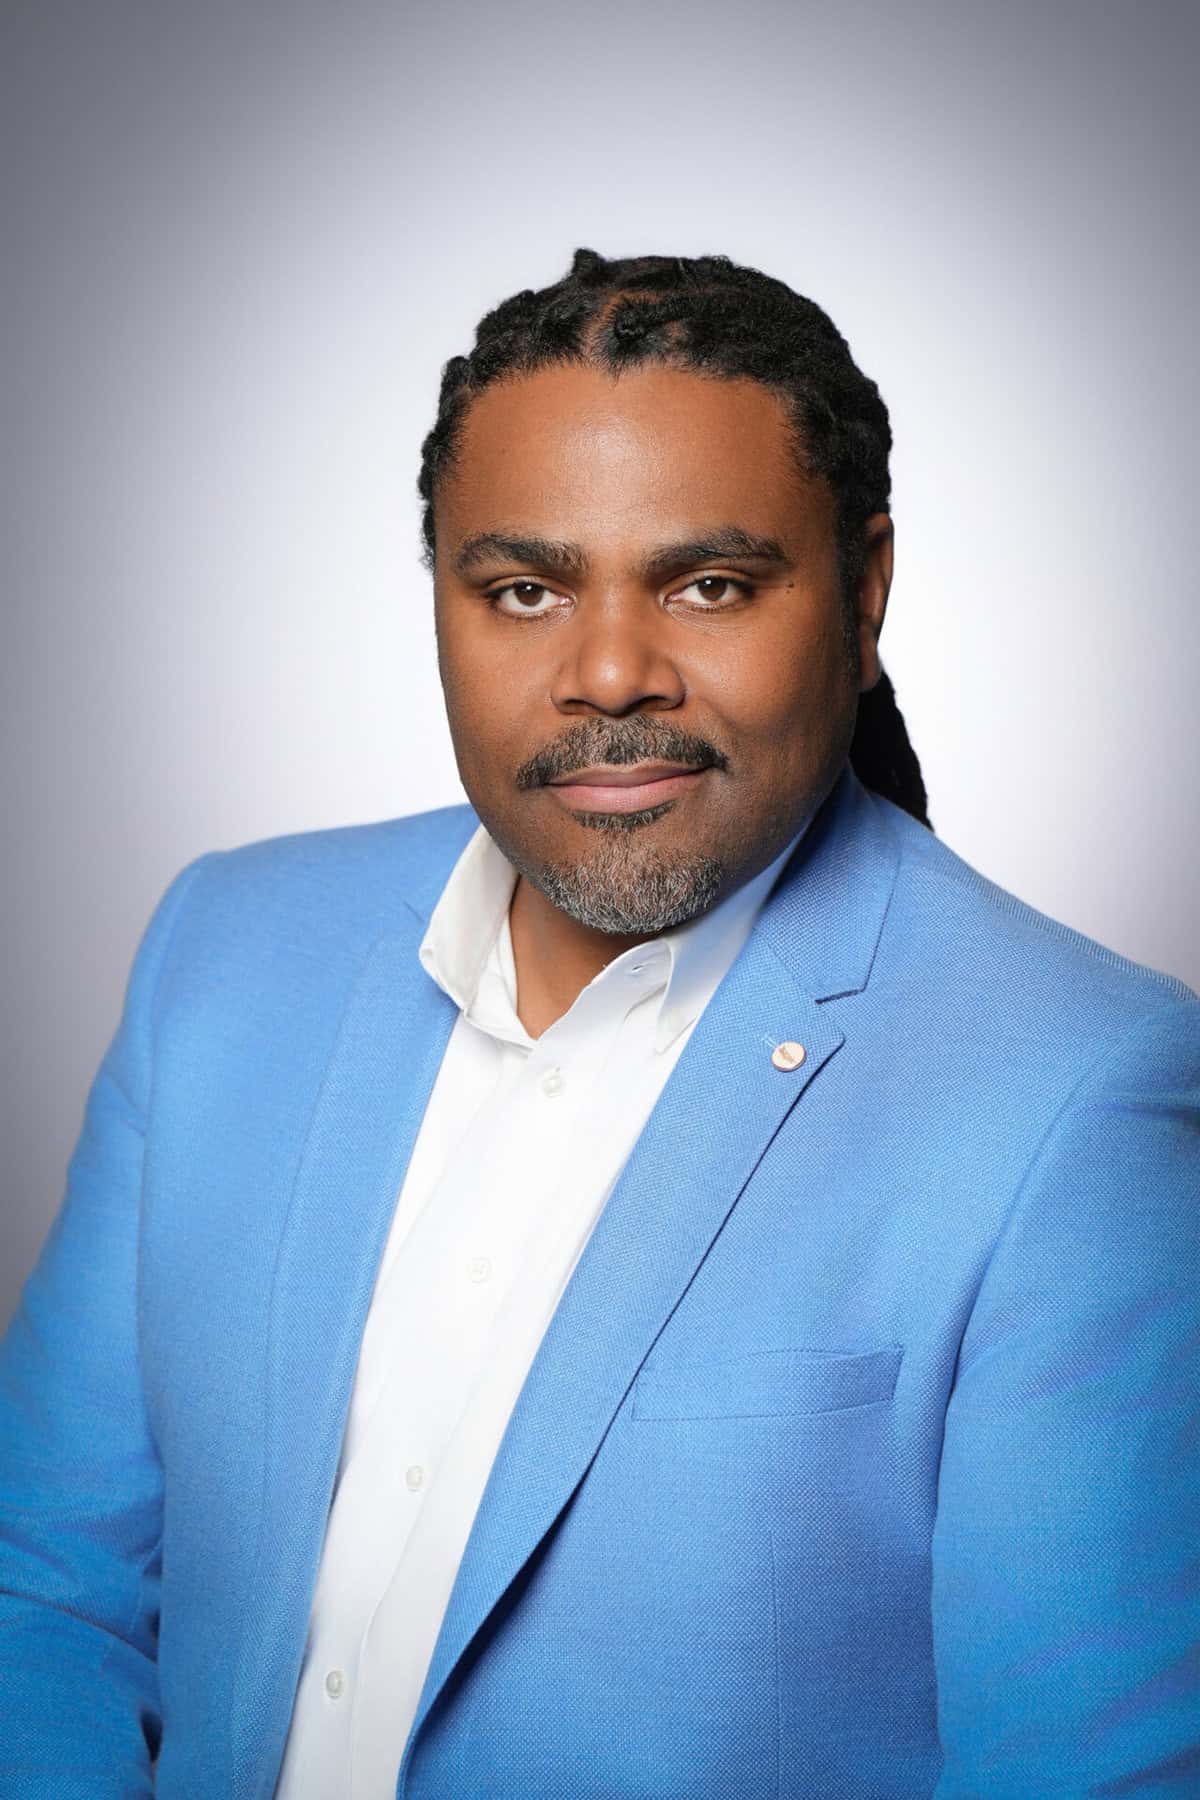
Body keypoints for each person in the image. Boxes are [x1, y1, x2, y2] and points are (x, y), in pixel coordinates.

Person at [1, 247, 1196, 1800]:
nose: (611, 673)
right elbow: (49, 1596)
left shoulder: (1080, 1100)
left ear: (865, 591)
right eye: (524, 590)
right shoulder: (222, 955)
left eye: (710, 586)